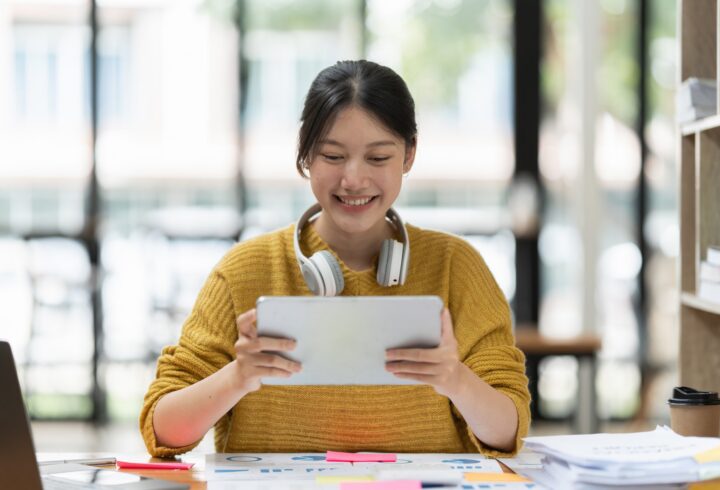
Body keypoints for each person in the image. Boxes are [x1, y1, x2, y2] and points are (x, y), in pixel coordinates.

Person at [140, 60, 531, 458]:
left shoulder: (457, 266)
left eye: (378, 158)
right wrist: (239, 376)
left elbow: (508, 430)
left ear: (409, 155)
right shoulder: (243, 271)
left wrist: (456, 380)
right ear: (305, 155)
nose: (354, 179)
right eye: (332, 156)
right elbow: (163, 428)